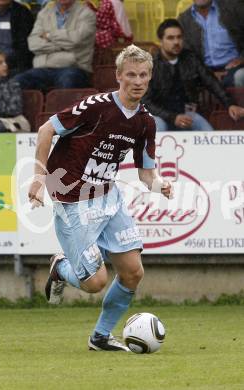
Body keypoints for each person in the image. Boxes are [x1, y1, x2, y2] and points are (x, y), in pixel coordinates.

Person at [28, 44, 173, 352]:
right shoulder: (95, 106)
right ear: (118, 76)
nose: (137, 81)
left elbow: (146, 175)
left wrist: (161, 186)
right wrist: (39, 178)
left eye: (143, 75)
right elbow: (44, 130)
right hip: (73, 200)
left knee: (133, 272)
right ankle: (61, 268)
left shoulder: (146, 122)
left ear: (150, 78)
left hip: (109, 196)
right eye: (131, 74)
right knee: (95, 283)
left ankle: (101, 337)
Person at [142, 19, 244, 131]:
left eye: (179, 37)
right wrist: (172, 117)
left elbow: (212, 83)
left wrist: (230, 104)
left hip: (188, 115)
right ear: (161, 40)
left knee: (208, 134)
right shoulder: (151, 65)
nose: (176, 42)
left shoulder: (191, 59)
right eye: (170, 38)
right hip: (160, 116)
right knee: (159, 128)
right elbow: (145, 101)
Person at [14, 0, 96, 91]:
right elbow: (33, 43)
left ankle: (64, 105)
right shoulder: (44, 14)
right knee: (17, 82)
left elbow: (76, 39)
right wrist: (61, 46)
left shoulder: (87, 14)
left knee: (68, 80)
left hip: (73, 67)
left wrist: (49, 35)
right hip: (44, 67)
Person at [178, 0, 244, 88]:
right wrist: (206, 73)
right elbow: (187, 55)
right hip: (203, 72)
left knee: (240, 76)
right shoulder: (184, 20)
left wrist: (242, 58)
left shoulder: (234, 8)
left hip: (236, 67)